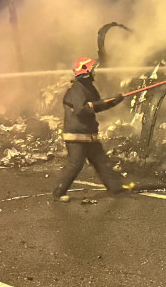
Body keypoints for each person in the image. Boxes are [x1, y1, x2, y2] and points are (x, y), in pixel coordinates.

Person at [52, 57, 128, 202]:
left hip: (88, 135)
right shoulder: (77, 89)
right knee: (75, 164)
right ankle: (58, 192)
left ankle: (116, 189)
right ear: (86, 70)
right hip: (76, 136)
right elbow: (81, 110)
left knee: (101, 161)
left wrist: (114, 101)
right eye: (93, 68)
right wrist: (93, 105)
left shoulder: (88, 88)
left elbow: (97, 106)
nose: (95, 71)